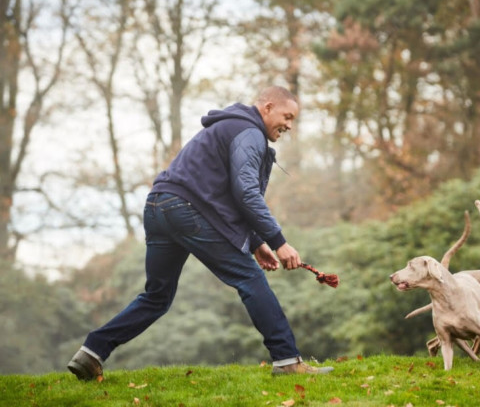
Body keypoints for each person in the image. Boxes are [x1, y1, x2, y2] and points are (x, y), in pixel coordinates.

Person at [67, 86, 333, 379]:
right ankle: (287, 361)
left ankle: (92, 351)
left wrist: (257, 242)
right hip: (187, 209)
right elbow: (245, 192)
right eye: (288, 116)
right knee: (249, 278)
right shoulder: (249, 132)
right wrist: (279, 242)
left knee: (157, 296)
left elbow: (229, 192)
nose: (290, 125)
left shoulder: (231, 128)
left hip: (159, 206)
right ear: (268, 107)